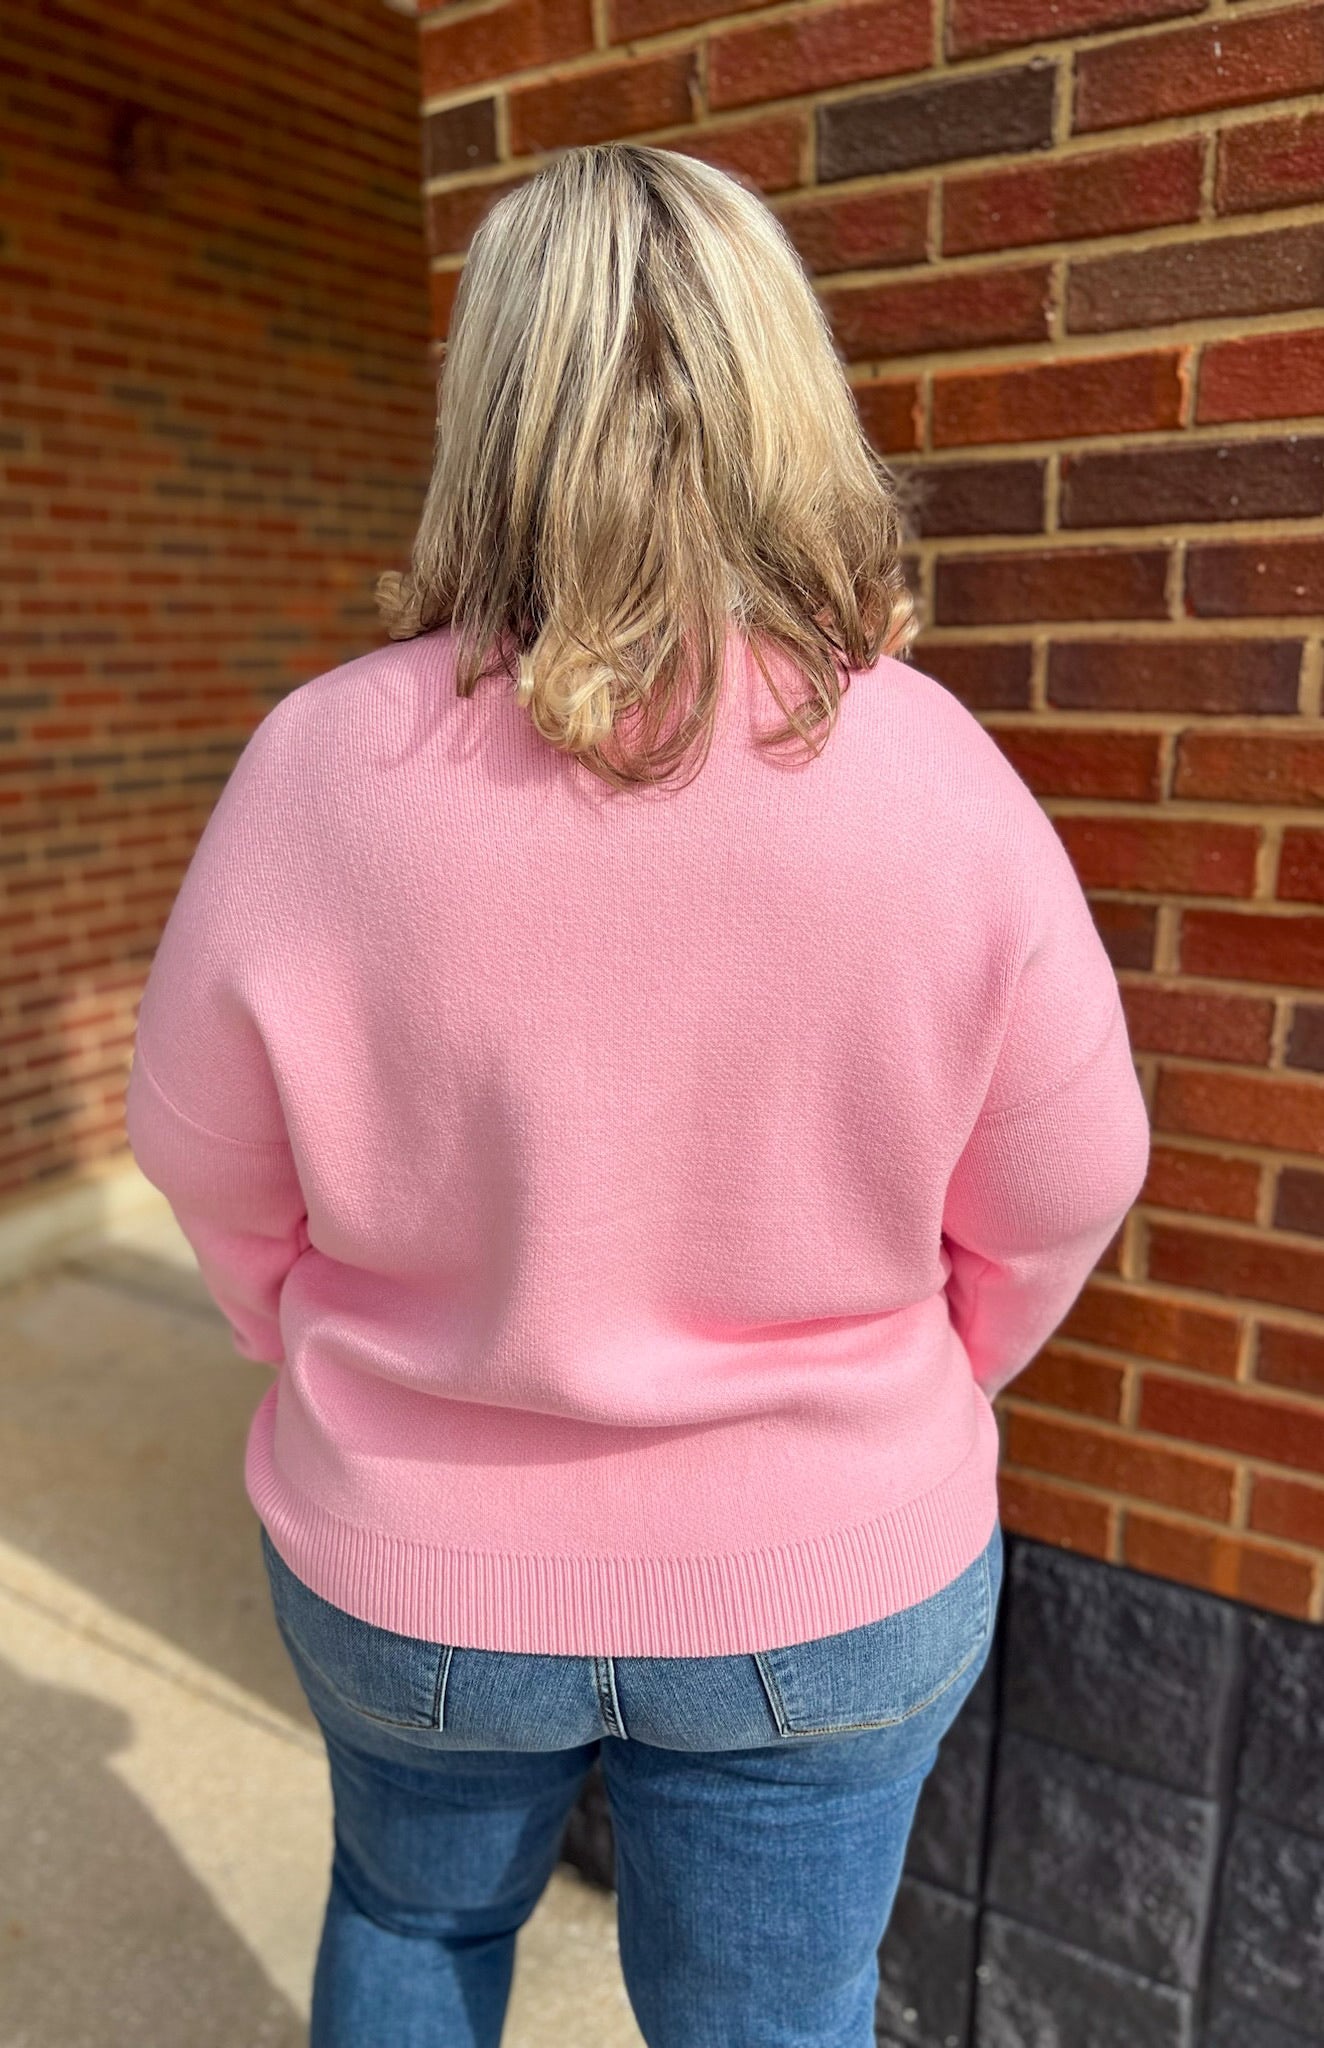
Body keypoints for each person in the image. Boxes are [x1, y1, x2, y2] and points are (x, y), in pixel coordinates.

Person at [124, 141, 1151, 2048]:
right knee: (775, 2019)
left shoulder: (317, 766)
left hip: (411, 1562)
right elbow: (1073, 1178)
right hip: (834, 1571)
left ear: (488, 410)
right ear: (789, 393)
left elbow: (197, 1151)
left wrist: (352, 1345)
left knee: (412, 1930)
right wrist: (901, 1381)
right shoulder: (933, 777)